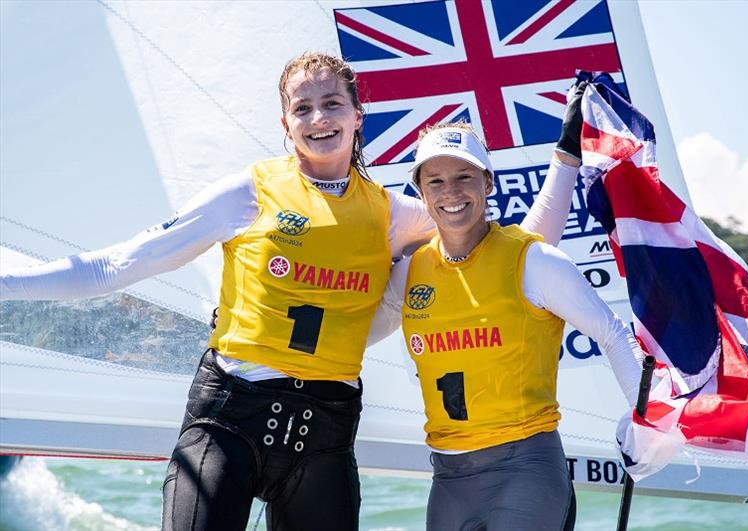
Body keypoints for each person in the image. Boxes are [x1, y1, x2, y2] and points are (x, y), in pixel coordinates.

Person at [0, 52, 585, 530]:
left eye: (332, 103)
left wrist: (563, 160)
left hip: (324, 434)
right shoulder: (248, 193)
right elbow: (115, 266)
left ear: (358, 115)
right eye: (302, 108)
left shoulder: (396, 214)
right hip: (229, 420)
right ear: (286, 125)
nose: (318, 117)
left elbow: (519, 255)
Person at [367, 122, 645, 531]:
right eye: (436, 181)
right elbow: (349, 340)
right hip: (448, 480)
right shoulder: (409, 273)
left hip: (527, 470)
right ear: (421, 193)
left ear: (488, 183)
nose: (451, 192)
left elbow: (613, 332)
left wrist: (645, 418)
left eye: (464, 177)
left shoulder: (536, 261)